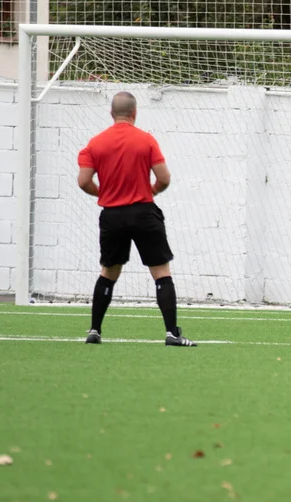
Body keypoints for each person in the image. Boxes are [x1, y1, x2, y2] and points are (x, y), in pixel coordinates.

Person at [77, 91, 195, 346]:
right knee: (161, 272)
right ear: (135, 113)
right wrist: (152, 190)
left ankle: (95, 330)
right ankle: (172, 333)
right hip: (143, 213)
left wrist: (103, 193)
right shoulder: (146, 140)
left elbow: (84, 181)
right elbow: (164, 178)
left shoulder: (95, 144)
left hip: (112, 216)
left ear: (111, 113)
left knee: (109, 272)